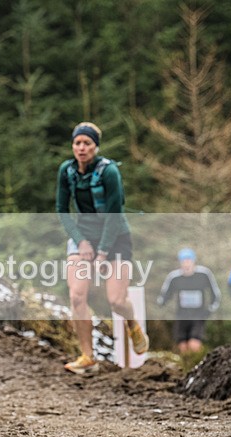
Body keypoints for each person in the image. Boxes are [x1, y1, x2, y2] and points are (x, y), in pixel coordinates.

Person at [56, 122, 149, 374]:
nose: (82, 148)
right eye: (77, 143)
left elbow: (115, 214)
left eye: (87, 143)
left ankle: (133, 325)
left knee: (117, 300)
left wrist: (104, 252)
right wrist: (82, 241)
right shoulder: (67, 171)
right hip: (83, 236)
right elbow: (62, 211)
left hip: (115, 236)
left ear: (95, 147)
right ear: (73, 146)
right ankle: (87, 356)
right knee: (76, 295)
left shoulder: (109, 172)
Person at [156, 247, 221, 354]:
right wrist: (162, 304)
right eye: (184, 261)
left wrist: (210, 309)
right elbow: (165, 295)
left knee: (194, 344)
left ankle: (197, 365)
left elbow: (215, 294)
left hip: (198, 316)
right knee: (183, 347)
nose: (186, 264)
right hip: (181, 316)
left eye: (189, 261)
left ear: (193, 261)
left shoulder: (204, 274)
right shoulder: (174, 277)